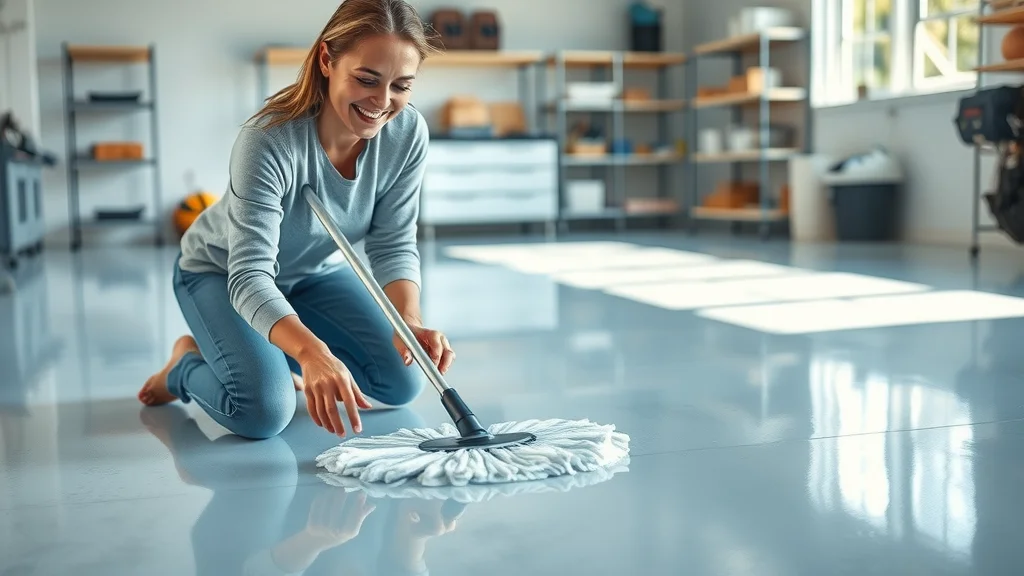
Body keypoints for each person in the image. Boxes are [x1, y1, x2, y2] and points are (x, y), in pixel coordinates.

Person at [138, 0, 453, 441]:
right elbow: (249, 277)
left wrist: (409, 323)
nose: (382, 103)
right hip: (220, 271)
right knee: (263, 411)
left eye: (401, 86)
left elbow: (393, 242)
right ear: (327, 59)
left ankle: (270, 353)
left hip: (311, 273)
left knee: (401, 382)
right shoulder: (268, 140)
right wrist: (311, 352)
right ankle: (184, 367)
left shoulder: (407, 134)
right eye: (366, 79)